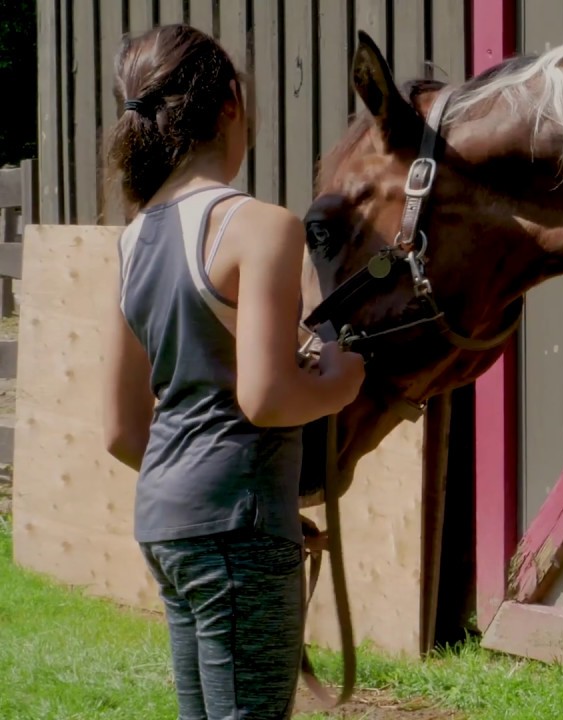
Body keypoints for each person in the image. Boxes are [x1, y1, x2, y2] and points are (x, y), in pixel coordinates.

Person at [100, 23, 366, 720]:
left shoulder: (133, 240)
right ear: (228, 107)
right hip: (234, 531)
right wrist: (345, 376)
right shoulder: (257, 226)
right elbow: (267, 396)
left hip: (169, 525)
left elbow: (123, 431)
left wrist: (263, 512)